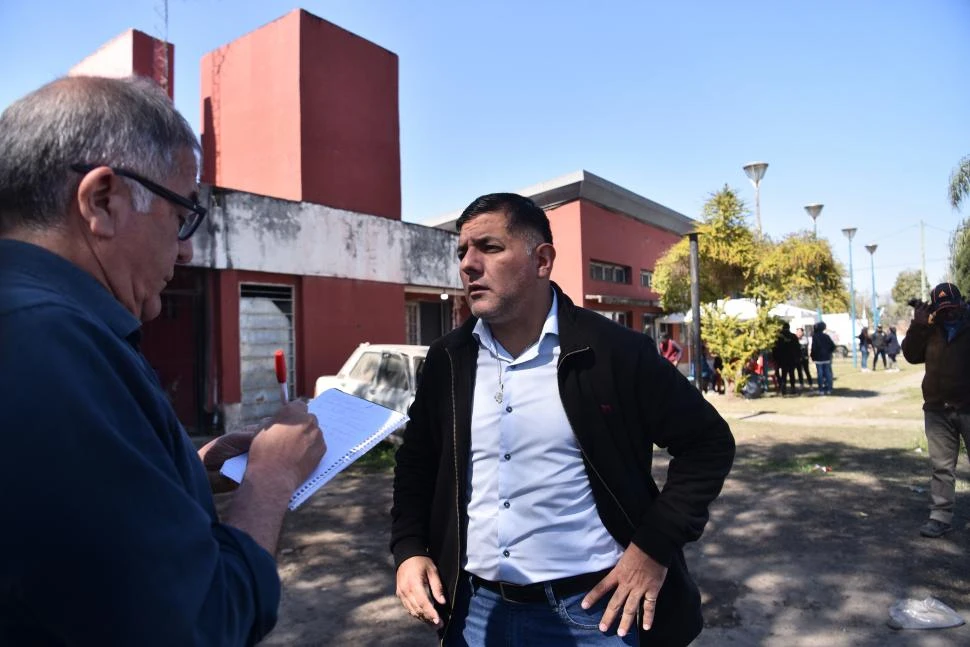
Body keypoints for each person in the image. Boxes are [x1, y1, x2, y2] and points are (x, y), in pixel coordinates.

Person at [0, 76, 327, 645]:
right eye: (181, 217)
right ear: (103, 201)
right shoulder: (48, 343)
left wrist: (186, 464)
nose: (186, 248)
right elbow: (196, 624)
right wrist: (270, 482)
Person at [391, 193, 735, 646]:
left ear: (542, 260)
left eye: (489, 248)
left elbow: (708, 442)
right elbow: (417, 461)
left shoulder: (611, 351)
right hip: (474, 612)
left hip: (593, 613)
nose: (468, 265)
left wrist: (654, 547)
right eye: (462, 252)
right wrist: (408, 549)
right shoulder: (449, 359)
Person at [901, 283, 970, 538]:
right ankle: (941, 517)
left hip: (968, 406)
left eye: (952, 308)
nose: (949, 314)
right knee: (941, 467)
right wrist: (919, 324)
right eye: (943, 310)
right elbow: (910, 355)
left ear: (961, 304)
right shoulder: (929, 329)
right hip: (937, 408)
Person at [772, 322, 801, 395]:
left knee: (783, 374)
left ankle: (783, 388)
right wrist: (798, 357)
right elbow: (798, 348)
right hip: (792, 358)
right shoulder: (793, 336)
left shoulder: (778, 337)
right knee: (792, 373)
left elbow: (775, 348)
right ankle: (793, 388)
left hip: (782, 358)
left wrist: (775, 358)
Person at [810, 321, 836, 395]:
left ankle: (821, 390)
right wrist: (828, 352)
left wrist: (812, 356)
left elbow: (813, 347)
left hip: (818, 358)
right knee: (828, 373)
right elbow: (833, 346)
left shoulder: (815, 337)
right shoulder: (826, 336)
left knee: (820, 374)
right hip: (826, 357)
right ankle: (829, 389)